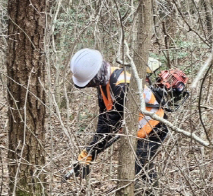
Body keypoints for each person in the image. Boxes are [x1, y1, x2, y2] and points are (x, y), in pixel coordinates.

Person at [69, 48, 187, 184]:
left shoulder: (122, 86)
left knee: (137, 169)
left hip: (155, 128)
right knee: (140, 168)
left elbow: (110, 126)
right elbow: (104, 119)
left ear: (96, 76)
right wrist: (88, 154)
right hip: (139, 132)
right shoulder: (104, 85)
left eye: (90, 82)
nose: (90, 86)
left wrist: (90, 152)